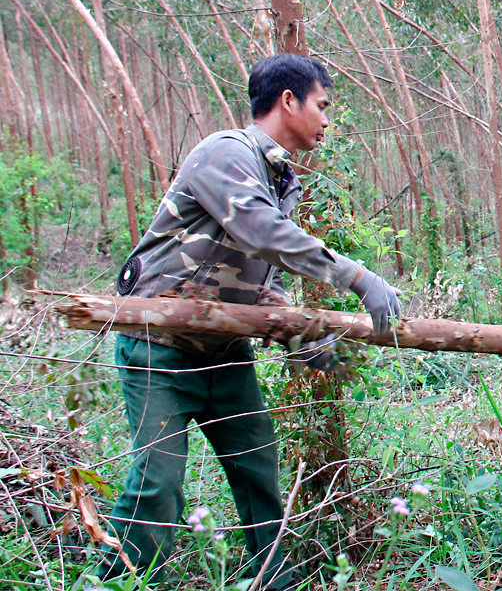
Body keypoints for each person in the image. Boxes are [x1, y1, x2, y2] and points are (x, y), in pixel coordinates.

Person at [96, 54, 402, 588]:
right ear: (289, 101)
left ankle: (274, 580)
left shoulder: (280, 177)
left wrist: (296, 337)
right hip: (159, 347)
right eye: (322, 106)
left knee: (259, 470)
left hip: (224, 349)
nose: (328, 121)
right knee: (158, 482)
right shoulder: (226, 153)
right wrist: (358, 277)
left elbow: (264, 273)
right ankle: (118, 581)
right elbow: (264, 234)